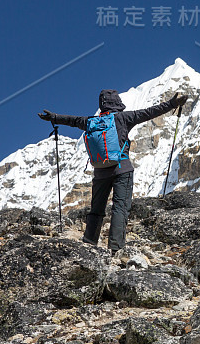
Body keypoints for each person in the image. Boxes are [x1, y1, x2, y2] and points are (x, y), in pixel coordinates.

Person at [38, 89, 187, 253]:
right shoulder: (124, 118)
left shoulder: (91, 121)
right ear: (117, 104)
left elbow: (72, 120)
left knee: (96, 210)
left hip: (100, 171)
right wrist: (173, 103)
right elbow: (150, 112)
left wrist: (54, 117)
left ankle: (89, 244)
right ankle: (116, 248)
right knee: (120, 208)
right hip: (121, 169)